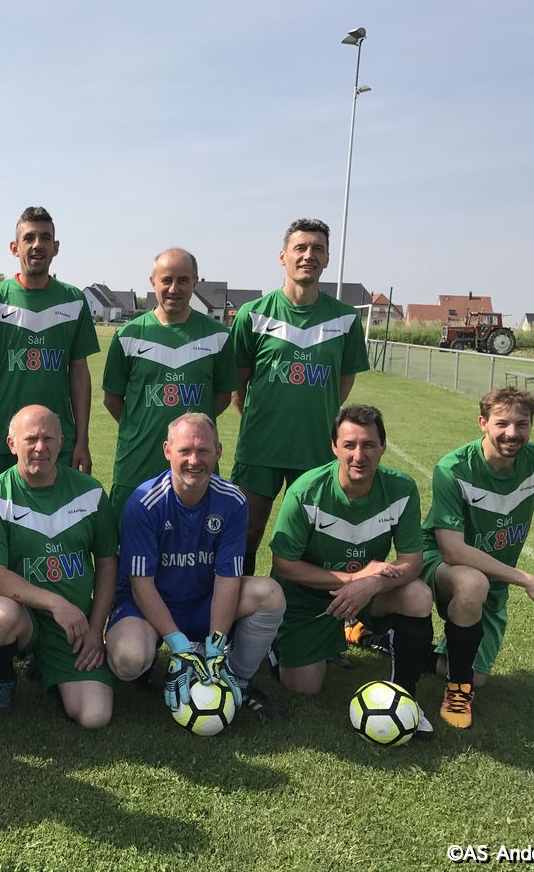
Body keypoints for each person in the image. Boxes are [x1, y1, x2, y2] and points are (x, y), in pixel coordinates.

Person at [107, 413, 286, 721]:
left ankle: (235, 677)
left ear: (218, 452)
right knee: (128, 660)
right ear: (167, 451)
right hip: (147, 605)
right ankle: (163, 659)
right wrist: (177, 644)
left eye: (203, 450)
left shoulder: (233, 501)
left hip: (202, 602)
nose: (194, 460)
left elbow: (228, 578)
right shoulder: (144, 502)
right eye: (185, 451)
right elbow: (141, 584)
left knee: (269, 593)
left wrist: (216, 643)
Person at [268, 405, 434, 736]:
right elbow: (283, 564)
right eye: (350, 445)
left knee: (418, 595)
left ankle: (404, 695)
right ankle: (279, 644)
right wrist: (353, 579)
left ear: (383, 446)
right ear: (334, 447)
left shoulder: (401, 489)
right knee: (304, 687)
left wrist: (370, 584)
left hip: (366, 593)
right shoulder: (306, 491)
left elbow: (412, 561)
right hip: (309, 599)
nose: (359, 455)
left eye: (369, 444)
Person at [230, 219, 370, 575]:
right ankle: (240, 607)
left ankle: (295, 610)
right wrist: (262, 420)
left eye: (317, 249)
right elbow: (237, 386)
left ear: (327, 259)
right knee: (245, 533)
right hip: (260, 446)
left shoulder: (345, 319)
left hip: (316, 446)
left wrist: (316, 414)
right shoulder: (253, 314)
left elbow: (343, 381)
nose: (309, 255)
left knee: (310, 540)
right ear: (283, 256)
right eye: (300, 248)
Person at [0, 405, 117, 729]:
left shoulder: (90, 493)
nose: (40, 447)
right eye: (31, 439)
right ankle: (3, 676)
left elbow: (108, 563)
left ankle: (48, 665)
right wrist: (55, 603)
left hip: (75, 627)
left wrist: (96, 629)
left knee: (94, 716)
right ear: (11, 444)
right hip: (26, 616)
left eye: (48, 438)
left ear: (62, 441)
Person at [420, 387, 534, 729]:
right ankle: (458, 691)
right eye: (502, 423)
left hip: (493, 578)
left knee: (478, 674)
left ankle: (392, 643)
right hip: (439, 562)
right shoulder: (453, 469)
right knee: (472, 583)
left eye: (522, 424)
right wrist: (528, 579)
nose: (512, 433)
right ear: (483, 423)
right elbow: (453, 550)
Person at [102, 248, 237, 513]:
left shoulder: (218, 337)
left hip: (195, 467)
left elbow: (222, 396)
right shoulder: (128, 335)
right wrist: (140, 424)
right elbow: (112, 399)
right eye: (166, 280)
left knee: (193, 539)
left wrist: (194, 431)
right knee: (130, 538)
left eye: (183, 280)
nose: (174, 289)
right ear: (153, 282)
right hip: (137, 464)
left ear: (195, 282)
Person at [0, 207, 99, 485]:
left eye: (45, 237)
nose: (37, 244)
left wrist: (82, 440)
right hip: (0, 442)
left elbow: (79, 373)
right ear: (14, 247)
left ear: (56, 247)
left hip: (58, 440)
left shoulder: (73, 300)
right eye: (29, 238)